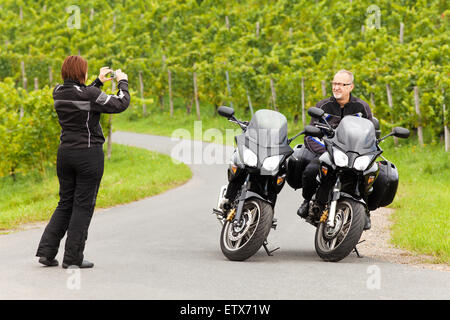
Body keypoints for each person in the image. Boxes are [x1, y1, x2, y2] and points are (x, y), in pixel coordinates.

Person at [36, 55, 130, 268]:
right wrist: (122, 81)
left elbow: (83, 95)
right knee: (83, 206)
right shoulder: (90, 94)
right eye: (86, 71)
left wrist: (98, 81)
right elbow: (120, 103)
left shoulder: (58, 91)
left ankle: (47, 253)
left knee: (65, 203)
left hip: (65, 154)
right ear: (81, 73)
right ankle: (72, 259)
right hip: (88, 155)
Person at [297, 69, 373, 229]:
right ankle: (307, 200)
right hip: (327, 151)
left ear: (350, 87)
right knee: (311, 171)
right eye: (334, 83)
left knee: (370, 176)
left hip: (352, 155)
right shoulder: (323, 106)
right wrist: (326, 153)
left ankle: (364, 210)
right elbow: (310, 135)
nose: (336, 87)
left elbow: (369, 135)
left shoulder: (362, 107)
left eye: (341, 84)